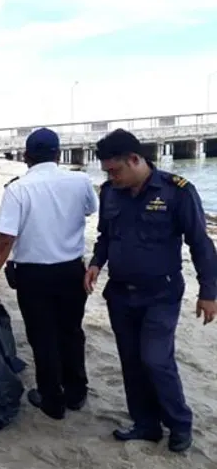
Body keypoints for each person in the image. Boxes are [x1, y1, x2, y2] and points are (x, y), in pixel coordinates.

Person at [86, 128, 217, 452]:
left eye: (115, 170)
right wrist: (95, 263)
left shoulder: (177, 191)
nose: (111, 177)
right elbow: (105, 236)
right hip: (120, 294)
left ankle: (179, 424)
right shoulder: (110, 193)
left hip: (161, 294)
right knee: (131, 361)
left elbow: (201, 243)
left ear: (135, 159)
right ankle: (145, 424)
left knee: (156, 359)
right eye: (107, 172)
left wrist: (209, 292)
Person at [0, 128, 98, 421]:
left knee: (43, 336)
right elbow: (90, 210)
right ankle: (76, 391)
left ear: (26, 157)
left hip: (33, 275)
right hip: (71, 270)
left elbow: (5, 239)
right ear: (58, 154)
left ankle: (52, 399)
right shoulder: (80, 180)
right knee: (71, 331)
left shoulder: (18, 189)